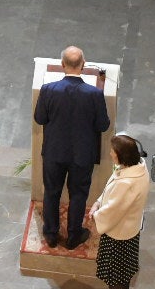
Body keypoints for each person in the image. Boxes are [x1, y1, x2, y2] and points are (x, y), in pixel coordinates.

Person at [34, 46, 110, 250]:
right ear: (83, 65)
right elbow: (103, 125)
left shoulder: (48, 89)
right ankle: (74, 235)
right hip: (82, 154)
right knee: (78, 194)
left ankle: (51, 233)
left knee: (52, 191)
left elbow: (40, 118)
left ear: (62, 65)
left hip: (54, 152)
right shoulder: (94, 94)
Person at [91, 133, 151, 289]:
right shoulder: (136, 168)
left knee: (113, 273)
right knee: (124, 270)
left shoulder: (127, 183)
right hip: (130, 229)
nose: (110, 153)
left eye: (113, 151)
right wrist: (100, 201)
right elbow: (111, 191)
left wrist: (95, 214)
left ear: (122, 156)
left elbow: (114, 209)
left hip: (118, 233)